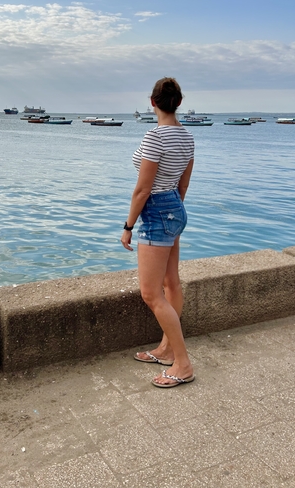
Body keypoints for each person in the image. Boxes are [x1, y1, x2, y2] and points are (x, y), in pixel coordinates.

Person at [121, 77, 195, 388]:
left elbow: (142, 189)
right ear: (178, 103)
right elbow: (183, 184)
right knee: (171, 282)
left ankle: (182, 363)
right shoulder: (187, 137)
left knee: (151, 293)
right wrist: (173, 210)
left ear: (153, 103)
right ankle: (166, 349)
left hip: (156, 211)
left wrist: (128, 227)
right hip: (175, 207)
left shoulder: (155, 138)